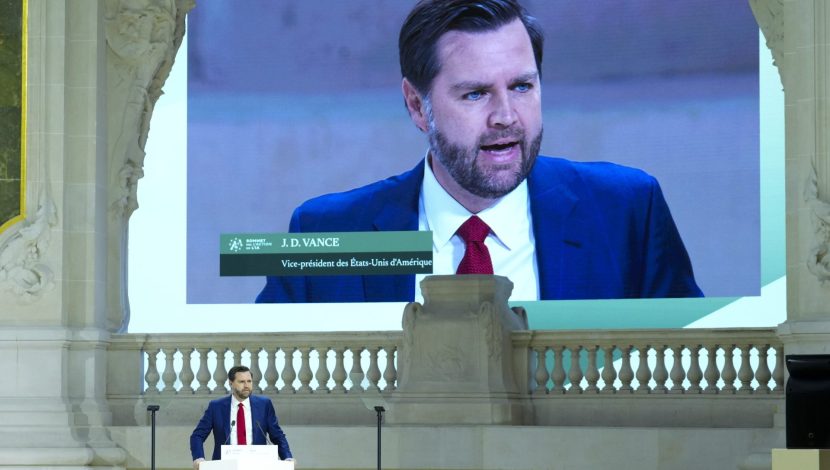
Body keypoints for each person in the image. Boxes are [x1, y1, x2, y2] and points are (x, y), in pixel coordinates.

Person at [256, 0, 702, 303]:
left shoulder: (628, 212)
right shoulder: (331, 235)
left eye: (522, 86)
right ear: (417, 106)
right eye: (475, 94)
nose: (506, 116)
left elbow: (692, 387)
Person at [190, 365, 293, 469]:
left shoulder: (264, 405)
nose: (246, 385)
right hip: (225, 466)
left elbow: (277, 435)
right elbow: (197, 435)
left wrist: (287, 457)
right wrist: (199, 458)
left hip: (257, 465)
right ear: (231, 383)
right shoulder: (216, 406)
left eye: (249, 381)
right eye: (241, 382)